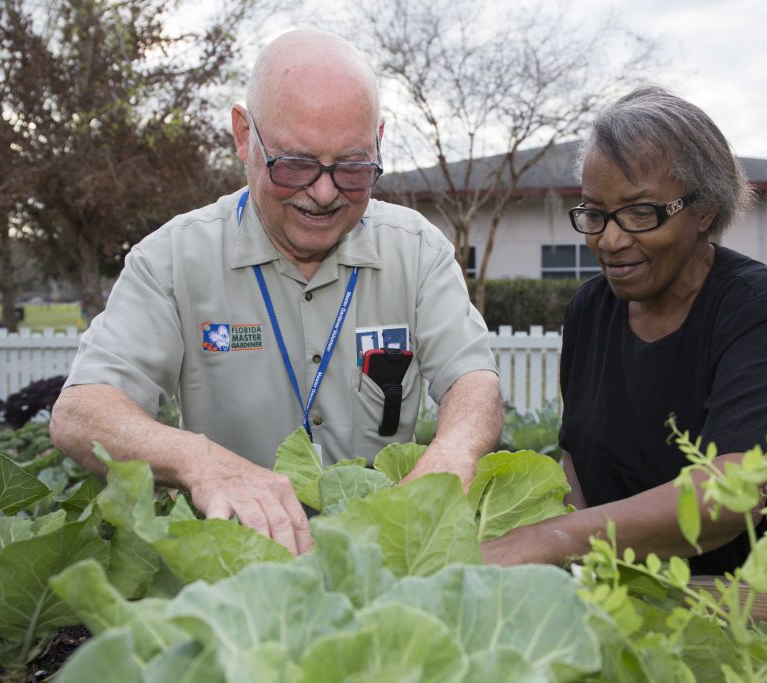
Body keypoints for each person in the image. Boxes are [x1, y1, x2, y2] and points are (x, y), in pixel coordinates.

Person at [50, 29, 503, 557]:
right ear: (244, 136)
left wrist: (451, 454)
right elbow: (81, 413)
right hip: (234, 569)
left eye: (354, 168)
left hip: (383, 564)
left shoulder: (418, 250)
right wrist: (204, 463)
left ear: (379, 140)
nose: (325, 192)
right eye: (295, 165)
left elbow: (474, 383)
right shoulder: (172, 258)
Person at [482, 86, 767, 574]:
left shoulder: (750, 304)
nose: (611, 240)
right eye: (595, 214)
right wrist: (571, 569)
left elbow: (733, 494)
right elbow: (577, 463)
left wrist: (553, 538)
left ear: (703, 209)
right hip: (634, 585)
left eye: (642, 212)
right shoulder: (589, 310)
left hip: (759, 594)